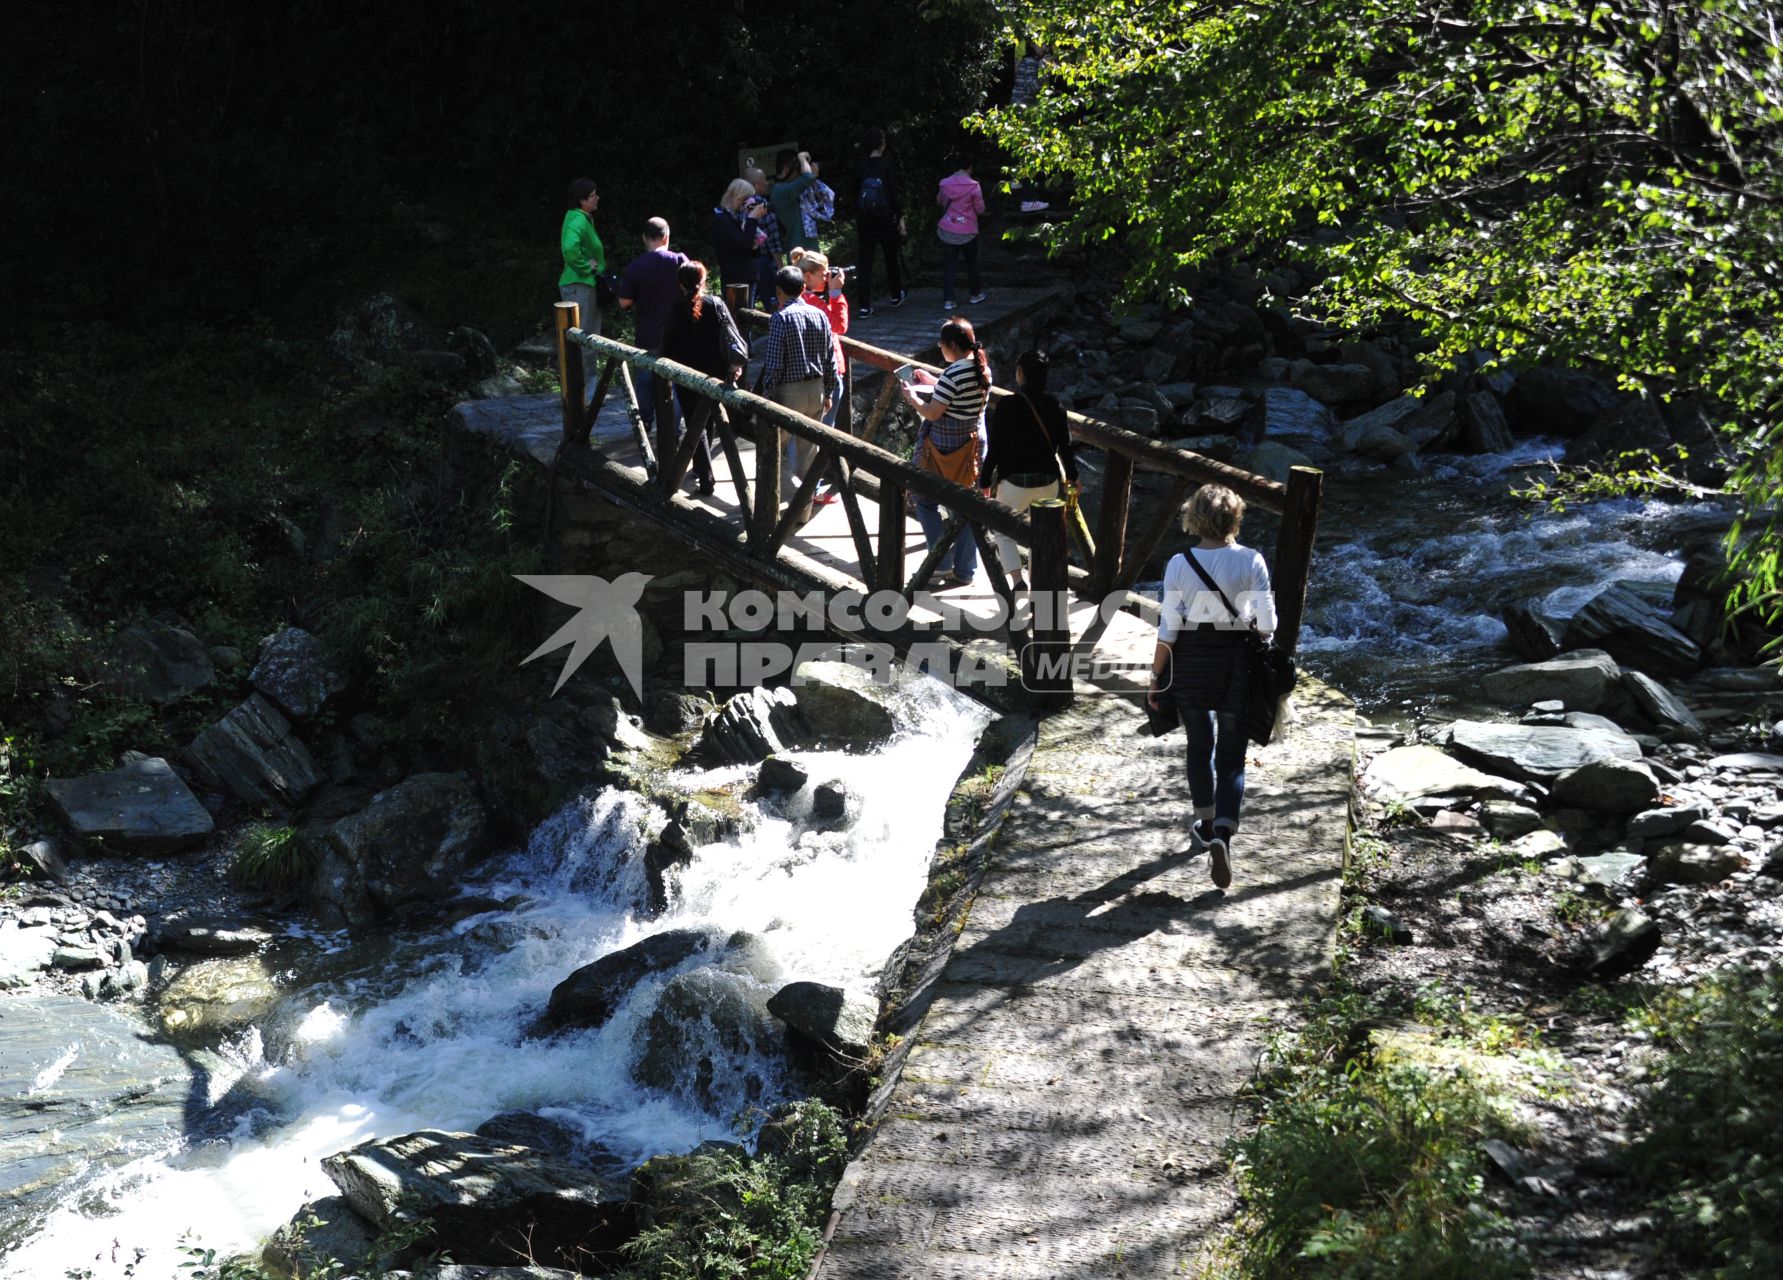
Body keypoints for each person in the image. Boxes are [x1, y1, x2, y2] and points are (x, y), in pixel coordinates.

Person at [1147, 484, 1278, 890]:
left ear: (1194, 517)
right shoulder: (1251, 560)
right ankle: (1222, 832)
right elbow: (1268, 626)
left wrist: (1156, 678)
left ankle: (1204, 823)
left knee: (1199, 745)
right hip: (1235, 663)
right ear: (1234, 518)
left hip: (1190, 663)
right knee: (1233, 756)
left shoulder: (1178, 563)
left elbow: (1168, 629)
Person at [900, 317, 990, 587]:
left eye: (941, 344)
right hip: (974, 445)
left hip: (945, 447)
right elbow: (954, 392)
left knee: (924, 499)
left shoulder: (954, 374)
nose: (940, 347)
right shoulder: (982, 368)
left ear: (951, 345)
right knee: (965, 508)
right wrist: (933, 380)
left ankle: (940, 562)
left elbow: (933, 411)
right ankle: (965, 570)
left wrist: (912, 397)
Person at [981, 349, 1078, 590]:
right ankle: (1040, 583)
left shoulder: (1007, 405)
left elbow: (995, 448)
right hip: (1048, 481)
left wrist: (984, 480)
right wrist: (1073, 477)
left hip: (1014, 482)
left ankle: (1017, 580)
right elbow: (1065, 446)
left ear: (1020, 373)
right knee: (1041, 535)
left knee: (1003, 531)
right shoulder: (1055, 404)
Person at [760, 264, 838, 524]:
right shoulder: (820, 316)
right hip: (815, 389)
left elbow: (774, 365)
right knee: (808, 453)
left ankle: (772, 509)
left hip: (788, 392)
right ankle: (802, 512)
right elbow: (830, 360)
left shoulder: (780, 319)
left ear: (779, 291)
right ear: (804, 288)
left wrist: (766, 399)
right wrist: (828, 391)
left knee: (775, 450)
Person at [661, 261, 747, 496]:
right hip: (715, 373)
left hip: (687, 375)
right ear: (704, 280)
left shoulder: (675, 308)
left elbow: (666, 345)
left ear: (680, 284)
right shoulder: (716, 304)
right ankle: (701, 468)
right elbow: (733, 337)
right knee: (706, 418)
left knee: (694, 422)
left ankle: (705, 476)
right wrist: (733, 367)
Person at [617, 218, 690, 437]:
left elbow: (624, 302)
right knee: (676, 383)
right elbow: (693, 292)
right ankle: (671, 428)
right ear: (667, 236)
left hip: (647, 335)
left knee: (645, 381)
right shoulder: (680, 261)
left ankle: (645, 423)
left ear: (644, 238)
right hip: (677, 335)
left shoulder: (636, 266)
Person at [854, 127, 906, 317]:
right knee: (890, 256)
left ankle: (864, 305)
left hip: (865, 219)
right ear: (882, 143)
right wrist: (899, 217)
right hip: (885, 217)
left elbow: (855, 194)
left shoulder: (860, 165)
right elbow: (893, 192)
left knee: (865, 261)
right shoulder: (887, 164)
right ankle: (895, 295)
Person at [936, 156, 988, 310]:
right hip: (968, 230)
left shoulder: (944, 184)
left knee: (949, 266)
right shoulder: (974, 186)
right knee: (971, 263)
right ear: (970, 167)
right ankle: (975, 294)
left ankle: (949, 300)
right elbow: (980, 209)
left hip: (948, 229)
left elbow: (939, 201)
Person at [558, 179, 605, 341]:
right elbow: (570, 249)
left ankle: (580, 368)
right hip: (581, 285)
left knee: (581, 338)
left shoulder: (580, 218)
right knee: (587, 338)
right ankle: (586, 368)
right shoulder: (578, 220)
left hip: (578, 285)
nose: (597, 198)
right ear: (581, 200)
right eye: (592, 196)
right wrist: (586, 267)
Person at [711, 178, 767, 309]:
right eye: (747, 199)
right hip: (735, 281)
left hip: (745, 278)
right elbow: (743, 246)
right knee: (740, 321)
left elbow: (753, 249)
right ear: (739, 198)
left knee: (746, 320)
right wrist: (752, 219)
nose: (749, 203)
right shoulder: (722, 220)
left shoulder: (735, 218)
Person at [743, 167, 786, 307]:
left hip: (747, 260)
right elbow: (773, 240)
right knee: (773, 303)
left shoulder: (739, 204)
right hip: (765, 261)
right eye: (764, 180)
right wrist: (781, 267)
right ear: (755, 185)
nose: (767, 183)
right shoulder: (762, 206)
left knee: (751, 301)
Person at [769, 148, 819, 253]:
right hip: (798, 254)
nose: (800, 173)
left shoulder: (789, 188)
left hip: (809, 251)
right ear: (787, 169)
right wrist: (802, 158)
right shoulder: (779, 190)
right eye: (798, 170)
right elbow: (808, 177)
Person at [798, 158, 837, 243]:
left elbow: (825, 211)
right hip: (808, 235)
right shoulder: (801, 187)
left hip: (814, 233)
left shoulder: (821, 187)